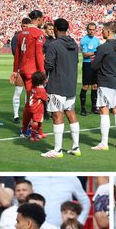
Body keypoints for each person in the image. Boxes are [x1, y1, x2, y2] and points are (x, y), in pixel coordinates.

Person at [41, 17, 80, 158]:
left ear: (56, 29)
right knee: (71, 113)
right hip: (71, 84)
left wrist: (44, 61)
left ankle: (57, 150)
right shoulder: (74, 44)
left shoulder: (54, 45)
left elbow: (49, 65)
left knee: (57, 115)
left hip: (57, 84)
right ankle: (76, 147)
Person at [91, 21, 116, 150]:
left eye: (103, 31)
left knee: (104, 110)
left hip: (105, 80)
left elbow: (94, 66)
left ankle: (104, 143)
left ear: (109, 31)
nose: (102, 32)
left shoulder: (104, 47)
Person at [13, 10, 46, 136]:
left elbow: (17, 54)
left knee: (30, 100)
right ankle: (30, 129)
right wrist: (42, 72)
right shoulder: (38, 33)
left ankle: (28, 128)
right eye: (42, 19)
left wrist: (15, 70)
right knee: (34, 102)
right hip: (33, 72)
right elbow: (38, 54)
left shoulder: (22, 33)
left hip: (23, 70)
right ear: (39, 19)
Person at [9, 18, 31, 123]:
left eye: (26, 26)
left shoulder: (31, 36)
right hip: (20, 68)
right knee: (18, 91)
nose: (24, 28)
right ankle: (16, 115)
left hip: (30, 68)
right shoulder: (16, 37)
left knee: (28, 92)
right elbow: (15, 53)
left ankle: (27, 114)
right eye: (23, 26)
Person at [79, 22, 100, 116]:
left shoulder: (97, 40)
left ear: (95, 30)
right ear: (87, 30)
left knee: (95, 86)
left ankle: (94, 107)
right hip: (87, 64)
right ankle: (83, 108)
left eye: (93, 30)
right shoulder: (84, 40)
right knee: (86, 86)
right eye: (90, 30)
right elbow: (85, 54)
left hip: (95, 64)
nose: (91, 31)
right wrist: (95, 52)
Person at [26, 71, 49, 142]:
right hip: (37, 108)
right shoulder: (41, 89)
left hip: (31, 106)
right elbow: (45, 99)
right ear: (42, 81)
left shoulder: (34, 87)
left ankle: (40, 133)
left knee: (39, 120)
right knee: (36, 122)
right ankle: (32, 136)